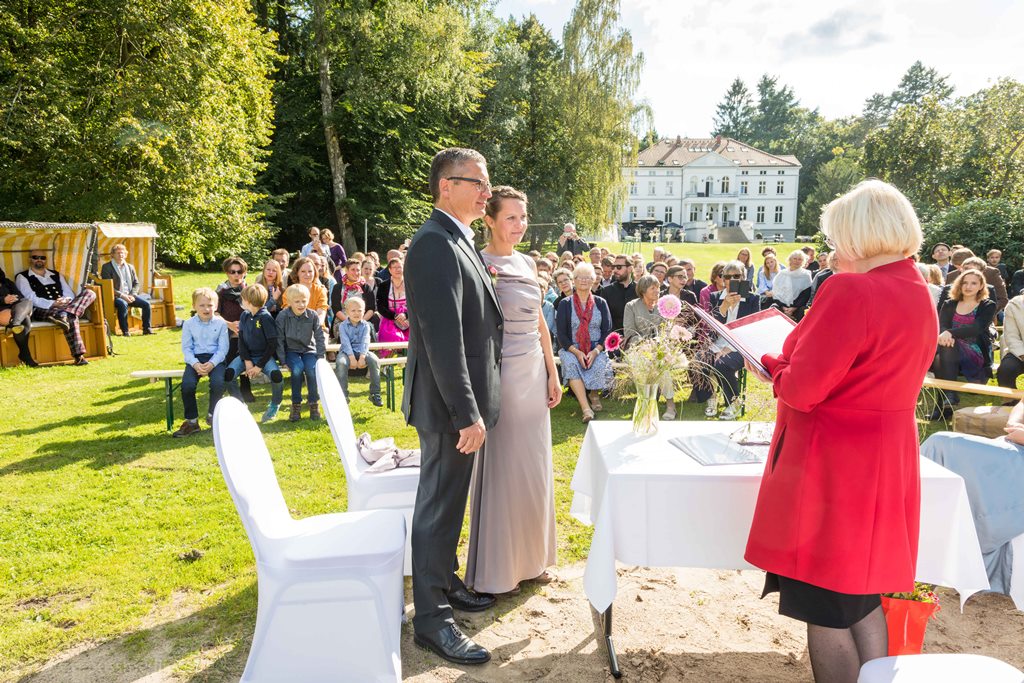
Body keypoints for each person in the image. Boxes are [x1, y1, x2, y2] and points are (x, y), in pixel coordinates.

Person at [744, 179, 937, 683]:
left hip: (834, 469)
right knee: (859, 595)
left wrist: (770, 362)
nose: (832, 249)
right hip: (882, 459)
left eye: (836, 238)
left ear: (859, 235)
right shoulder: (917, 288)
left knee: (824, 606)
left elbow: (803, 389)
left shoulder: (853, 288)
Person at [402, 147, 503, 666]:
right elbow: (444, 341)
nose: (487, 192)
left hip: (460, 402)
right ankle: (431, 620)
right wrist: (466, 412)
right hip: (447, 407)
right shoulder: (433, 245)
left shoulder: (456, 238)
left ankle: (445, 581)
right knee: (438, 508)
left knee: (450, 505)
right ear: (447, 185)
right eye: (478, 183)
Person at [465, 186, 560, 597]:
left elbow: (540, 322)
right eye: (511, 218)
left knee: (534, 469)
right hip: (501, 377)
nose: (519, 226)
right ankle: (498, 570)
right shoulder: (479, 263)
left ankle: (533, 560)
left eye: (523, 218)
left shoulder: (526, 261)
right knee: (505, 468)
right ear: (489, 220)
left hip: (535, 374)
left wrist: (553, 372)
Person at [921, 402, 1024, 599]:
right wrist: (1016, 424)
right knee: (941, 444)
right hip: (1013, 444)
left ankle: (926, 560)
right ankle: (915, 550)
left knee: (940, 445)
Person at [931, 269, 997, 420]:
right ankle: (949, 398)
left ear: (981, 286)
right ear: (959, 285)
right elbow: (942, 326)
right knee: (942, 355)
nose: (968, 286)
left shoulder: (987, 305)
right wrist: (946, 334)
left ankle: (944, 403)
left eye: (974, 283)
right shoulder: (950, 303)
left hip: (974, 351)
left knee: (941, 355)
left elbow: (976, 329)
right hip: (949, 350)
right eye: (965, 283)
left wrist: (950, 333)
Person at [699, 260, 761, 418]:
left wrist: (731, 347)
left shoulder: (753, 299)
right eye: (727, 276)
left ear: (744, 278)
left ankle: (734, 401)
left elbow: (752, 330)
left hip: (742, 346)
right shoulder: (714, 297)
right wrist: (724, 307)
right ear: (722, 279)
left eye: (737, 276)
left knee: (722, 363)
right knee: (699, 360)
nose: (731, 280)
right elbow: (712, 327)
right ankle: (711, 397)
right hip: (717, 343)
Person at [16, 249, 98, 365]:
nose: (39, 260)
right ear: (30, 259)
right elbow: (30, 298)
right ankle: (79, 356)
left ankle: (66, 314)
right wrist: (53, 303)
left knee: (90, 293)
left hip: (63, 306)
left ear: (46, 260)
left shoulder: (56, 274)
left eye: (42, 258)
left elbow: (69, 293)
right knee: (71, 317)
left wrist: (65, 300)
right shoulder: (22, 277)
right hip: (42, 309)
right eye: (35, 257)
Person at [557, 262, 612, 423]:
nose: (584, 281)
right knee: (571, 362)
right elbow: (561, 333)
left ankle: (594, 394)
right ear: (574, 280)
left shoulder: (600, 302)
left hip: (596, 346)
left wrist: (595, 351)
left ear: (593, 280)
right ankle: (586, 408)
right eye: (580, 277)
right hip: (571, 347)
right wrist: (577, 352)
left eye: (588, 277)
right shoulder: (565, 304)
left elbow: (607, 330)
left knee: (599, 362)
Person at [223, 284, 285, 423]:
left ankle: (275, 404)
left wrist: (259, 366)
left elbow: (272, 344)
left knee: (276, 376)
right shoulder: (244, 315)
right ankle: (240, 404)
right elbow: (242, 340)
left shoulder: (265, 318)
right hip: (247, 356)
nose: (241, 302)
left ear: (249, 302)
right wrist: (247, 361)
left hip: (264, 357)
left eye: (242, 299)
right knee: (228, 375)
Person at [174, 288, 229, 437]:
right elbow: (186, 348)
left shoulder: (221, 323)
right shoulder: (189, 324)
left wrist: (211, 364)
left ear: (216, 306)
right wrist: (195, 364)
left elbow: (223, 349)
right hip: (195, 360)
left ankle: (213, 416)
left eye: (210, 305)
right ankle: (192, 422)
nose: (206, 309)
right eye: (202, 305)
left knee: (218, 383)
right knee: (187, 385)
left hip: (215, 359)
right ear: (194, 306)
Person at [623, 274, 679, 420]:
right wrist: (645, 344)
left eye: (658, 287)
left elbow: (667, 331)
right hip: (637, 348)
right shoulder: (631, 306)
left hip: (659, 347)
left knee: (661, 363)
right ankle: (645, 401)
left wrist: (658, 344)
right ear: (643, 290)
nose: (657, 291)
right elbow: (629, 332)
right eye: (653, 288)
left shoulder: (663, 305)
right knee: (641, 362)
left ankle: (670, 404)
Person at [277, 283, 326, 421]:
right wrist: (282, 360)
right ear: (289, 302)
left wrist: (321, 357)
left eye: (304, 301)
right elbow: (279, 339)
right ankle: (296, 404)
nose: (301, 304)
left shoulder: (313, 315)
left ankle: (313, 403)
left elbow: (319, 337)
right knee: (297, 369)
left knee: (311, 370)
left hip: (309, 350)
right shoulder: (283, 316)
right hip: (291, 351)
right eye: (297, 301)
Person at [334, 296, 382, 407]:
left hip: (363, 351)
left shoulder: (366, 325)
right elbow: (345, 343)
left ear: (364, 311)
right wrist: (351, 358)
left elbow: (366, 341)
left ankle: (375, 393)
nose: (357, 313)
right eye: (353, 310)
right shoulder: (343, 326)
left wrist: (362, 357)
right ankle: (343, 395)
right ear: (347, 312)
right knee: (341, 363)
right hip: (346, 352)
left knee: (375, 360)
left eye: (360, 310)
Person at [216, 257, 252, 403]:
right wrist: (230, 324)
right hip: (227, 331)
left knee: (244, 357)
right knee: (230, 361)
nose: (237, 275)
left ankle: (246, 387)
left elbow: (257, 311)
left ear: (244, 273)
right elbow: (215, 313)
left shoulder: (249, 290)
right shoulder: (220, 291)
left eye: (240, 271)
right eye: (233, 272)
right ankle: (234, 392)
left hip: (247, 331)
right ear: (227, 273)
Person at [100, 244, 153, 337]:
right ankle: (125, 331)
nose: (121, 255)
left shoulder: (130, 267)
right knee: (122, 304)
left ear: (126, 254)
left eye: (123, 253)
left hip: (130, 295)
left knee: (146, 304)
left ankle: (147, 329)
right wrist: (122, 296)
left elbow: (136, 283)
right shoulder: (106, 267)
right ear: (112, 255)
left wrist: (133, 294)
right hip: (115, 296)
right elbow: (108, 286)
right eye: (118, 253)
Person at [0, 266, 36, 366]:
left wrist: (13, 298)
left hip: (14, 308)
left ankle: (14, 325)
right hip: (1, 310)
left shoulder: (6, 282)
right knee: (25, 319)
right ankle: (26, 356)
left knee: (27, 301)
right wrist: (3, 299)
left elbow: (19, 295)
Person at [330, 258, 376, 336]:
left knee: (365, 330)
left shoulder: (366, 287)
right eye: (353, 270)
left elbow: (371, 308)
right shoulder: (338, 287)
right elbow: (336, 309)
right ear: (346, 271)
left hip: (362, 321)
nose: (356, 272)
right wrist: (350, 323)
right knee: (347, 331)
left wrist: (359, 322)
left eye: (358, 270)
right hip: (342, 322)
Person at [376, 257, 409, 354]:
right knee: (392, 337)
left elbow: (417, 304)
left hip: (409, 319)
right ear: (389, 270)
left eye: (400, 267)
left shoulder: (411, 284)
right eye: (394, 267)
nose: (398, 269)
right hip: (390, 319)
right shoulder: (383, 285)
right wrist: (394, 316)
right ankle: (391, 365)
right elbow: (380, 306)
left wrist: (406, 315)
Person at [598, 254, 638, 335]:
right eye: (614, 267)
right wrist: (618, 337)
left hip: (637, 339)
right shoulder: (606, 291)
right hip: (614, 340)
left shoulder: (640, 290)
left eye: (619, 267)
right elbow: (605, 319)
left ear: (630, 268)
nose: (615, 270)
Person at [284, 257, 329, 328]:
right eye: (303, 271)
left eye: (310, 271)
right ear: (297, 273)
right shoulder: (289, 291)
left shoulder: (320, 291)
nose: (307, 274)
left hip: (316, 329)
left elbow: (321, 315)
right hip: (294, 329)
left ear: (315, 272)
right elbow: (288, 315)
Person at [772, 250, 813, 321]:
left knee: (804, 310)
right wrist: (783, 307)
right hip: (782, 306)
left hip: (798, 307)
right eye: (795, 259)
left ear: (803, 262)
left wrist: (794, 308)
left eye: (800, 259)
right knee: (773, 308)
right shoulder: (782, 274)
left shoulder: (806, 275)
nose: (797, 261)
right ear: (790, 260)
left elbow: (806, 295)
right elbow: (776, 293)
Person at [997, 292, 1024, 394]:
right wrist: (1022, 354)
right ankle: (1010, 401)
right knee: (1006, 369)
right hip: (1020, 352)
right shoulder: (1014, 305)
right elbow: (1011, 336)